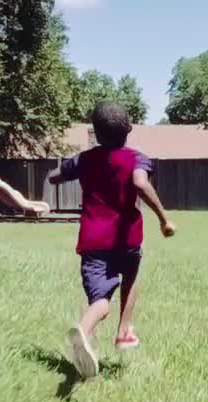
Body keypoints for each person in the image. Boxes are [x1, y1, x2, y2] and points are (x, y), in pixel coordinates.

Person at [48, 102, 176, 380]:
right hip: (127, 241)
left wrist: (55, 175)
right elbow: (140, 183)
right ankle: (123, 332)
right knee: (130, 278)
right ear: (129, 129)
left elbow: (55, 177)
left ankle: (84, 330)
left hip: (94, 242)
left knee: (101, 299)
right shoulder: (136, 159)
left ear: (95, 132)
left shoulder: (84, 160)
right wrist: (164, 218)